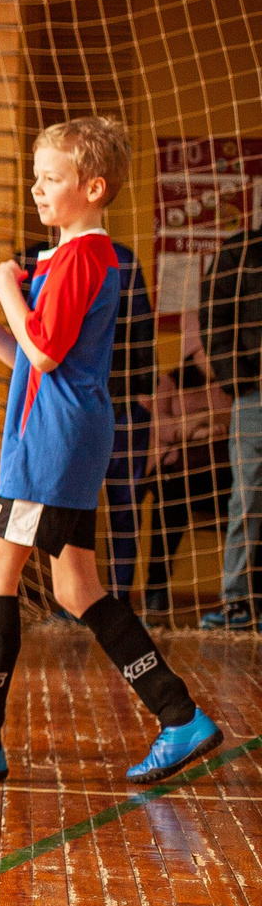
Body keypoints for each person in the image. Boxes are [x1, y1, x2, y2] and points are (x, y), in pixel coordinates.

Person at [0, 117, 222, 785]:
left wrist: (2, 285)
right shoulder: (64, 259)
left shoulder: (87, 256)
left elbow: (46, 352)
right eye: (36, 177)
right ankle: (179, 715)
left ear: (92, 186)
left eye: (50, 179)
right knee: (75, 584)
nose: (37, 190)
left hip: (53, 444)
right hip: (55, 433)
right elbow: (28, 359)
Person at [25, 231, 155, 610]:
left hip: (106, 404)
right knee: (87, 506)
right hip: (86, 404)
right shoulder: (40, 260)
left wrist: (145, 398)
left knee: (110, 504)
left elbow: (142, 332)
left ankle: (109, 600)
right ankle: (95, 600)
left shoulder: (120, 260)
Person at [197, 220, 262, 629]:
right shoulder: (239, 253)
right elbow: (213, 320)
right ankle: (237, 600)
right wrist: (237, 379)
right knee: (248, 498)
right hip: (254, 395)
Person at [146, 354, 233, 617]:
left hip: (224, 473)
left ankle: (246, 596)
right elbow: (161, 429)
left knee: (251, 505)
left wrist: (191, 426)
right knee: (169, 500)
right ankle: (156, 589)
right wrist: (202, 425)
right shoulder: (169, 383)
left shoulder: (231, 382)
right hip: (182, 473)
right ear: (195, 353)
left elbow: (232, 423)